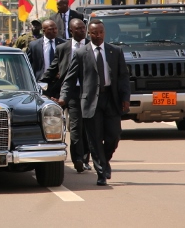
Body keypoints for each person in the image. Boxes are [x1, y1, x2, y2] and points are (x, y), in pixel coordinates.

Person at [60, 20, 130, 186]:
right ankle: (101, 172)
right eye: (94, 33)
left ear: (104, 33)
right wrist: (63, 98)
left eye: (100, 32)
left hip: (111, 99)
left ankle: (104, 161)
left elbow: (123, 77)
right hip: (91, 101)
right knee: (95, 139)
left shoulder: (115, 51)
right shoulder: (81, 53)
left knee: (113, 136)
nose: (98, 36)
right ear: (88, 34)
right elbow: (70, 80)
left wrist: (126, 98)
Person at [40, 19, 91, 173]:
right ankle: (78, 160)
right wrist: (40, 84)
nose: (82, 31)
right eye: (78, 29)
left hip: (87, 92)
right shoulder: (63, 48)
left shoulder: (91, 46)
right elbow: (53, 68)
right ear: (71, 31)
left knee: (86, 128)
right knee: (75, 127)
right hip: (69, 92)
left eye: (84, 28)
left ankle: (85, 157)